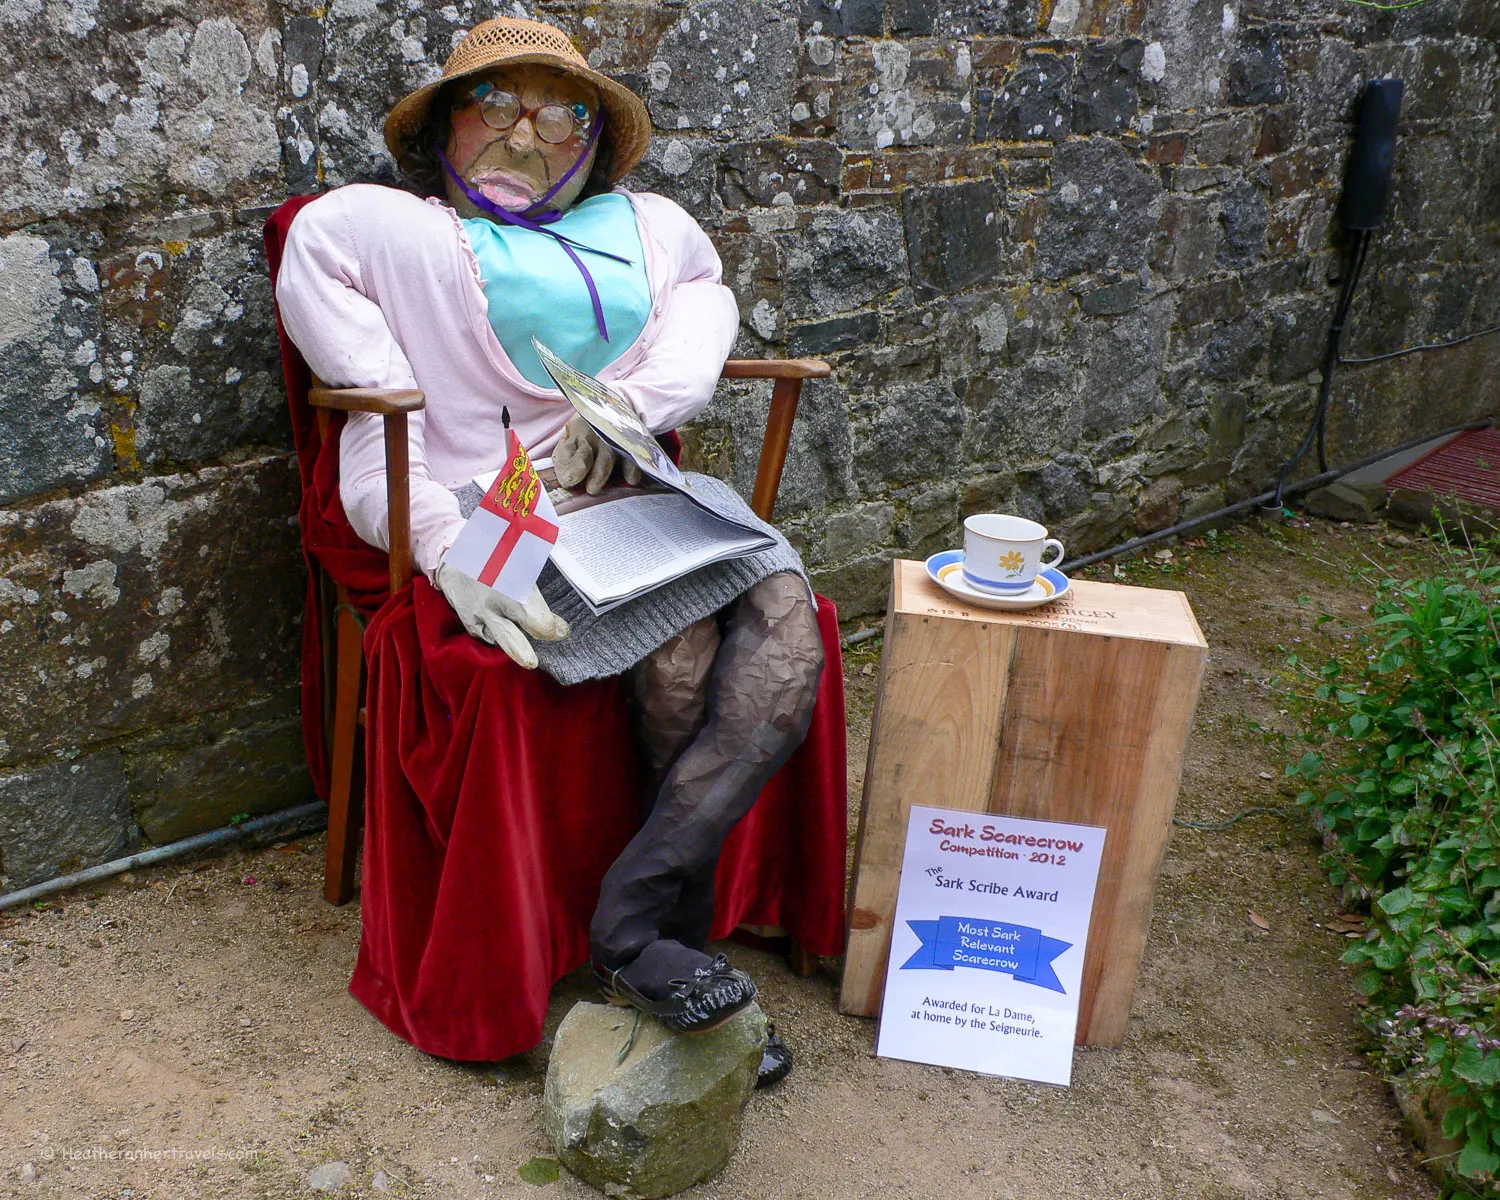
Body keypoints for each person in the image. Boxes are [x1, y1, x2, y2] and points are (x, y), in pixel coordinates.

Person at [274, 17, 822, 1081]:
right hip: (501, 508)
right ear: (441, 125)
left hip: (632, 480)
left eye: (559, 109)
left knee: (789, 623)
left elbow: (706, 307)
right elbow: (374, 441)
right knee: (678, 660)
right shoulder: (378, 231)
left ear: (593, 136)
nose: (526, 132)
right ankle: (665, 943)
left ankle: (630, 925)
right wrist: (448, 547)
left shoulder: (651, 229)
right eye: (495, 103)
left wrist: (629, 399)